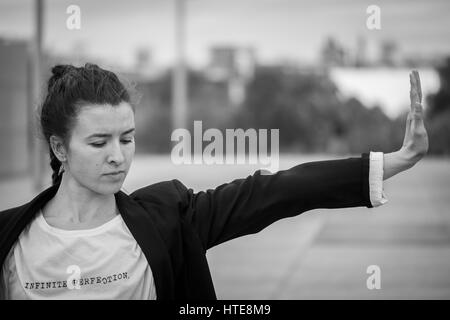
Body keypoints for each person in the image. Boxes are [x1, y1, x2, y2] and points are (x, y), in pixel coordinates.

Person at [0, 64, 428, 300]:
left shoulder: (168, 219)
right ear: (59, 148)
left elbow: (276, 192)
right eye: (98, 142)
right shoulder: (10, 240)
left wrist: (393, 161)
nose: (118, 155)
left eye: (127, 138)